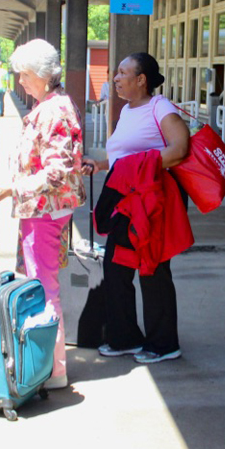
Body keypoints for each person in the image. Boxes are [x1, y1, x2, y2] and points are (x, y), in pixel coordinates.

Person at [0, 39, 86, 389]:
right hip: (43, 210)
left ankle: (52, 369)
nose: (20, 82)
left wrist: (14, 188)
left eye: (25, 75)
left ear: (43, 76)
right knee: (41, 284)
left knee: (45, 289)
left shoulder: (54, 110)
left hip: (45, 211)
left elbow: (56, 169)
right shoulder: (51, 105)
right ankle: (48, 363)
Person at [82, 52, 191, 364]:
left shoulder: (161, 107)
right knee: (116, 267)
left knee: (152, 269)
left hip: (151, 202)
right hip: (125, 200)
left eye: (122, 73)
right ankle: (125, 337)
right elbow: (124, 159)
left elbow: (180, 149)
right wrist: (101, 164)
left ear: (141, 79)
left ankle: (164, 343)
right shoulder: (128, 111)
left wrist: (141, 164)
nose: (115, 78)